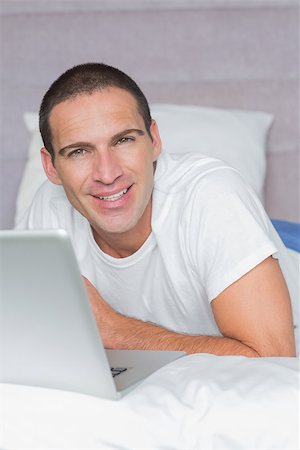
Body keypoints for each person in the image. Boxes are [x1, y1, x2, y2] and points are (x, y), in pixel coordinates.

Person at [17, 62, 296, 357]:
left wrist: (116, 331)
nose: (107, 173)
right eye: (79, 151)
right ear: (51, 167)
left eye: (123, 140)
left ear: (154, 140)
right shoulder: (50, 208)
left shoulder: (212, 196)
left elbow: (272, 358)